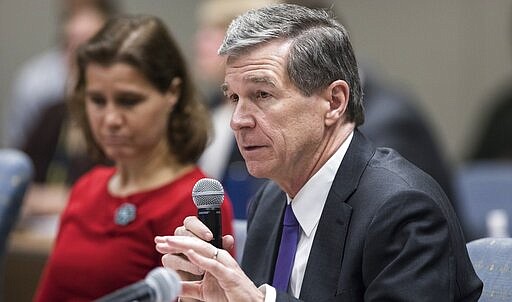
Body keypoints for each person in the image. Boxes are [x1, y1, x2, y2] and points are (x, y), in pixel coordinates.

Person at [155, 4, 482, 301]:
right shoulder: (269, 202)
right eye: (235, 99)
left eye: (263, 94)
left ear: (334, 102)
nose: (238, 121)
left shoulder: (403, 209)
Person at [34, 14, 234, 301]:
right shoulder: (87, 188)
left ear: (172, 93)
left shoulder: (195, 201)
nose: (111, 119)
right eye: (97, 101)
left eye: (129, 100)